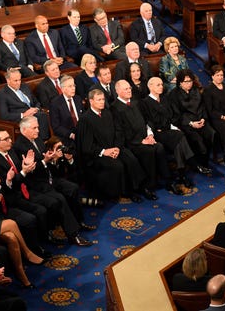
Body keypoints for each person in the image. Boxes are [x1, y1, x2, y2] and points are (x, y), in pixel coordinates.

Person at [13, 116, 93, 247]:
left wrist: (53, 158)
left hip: (48, 177)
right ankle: (73, 235)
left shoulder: (37, 139)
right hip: (36, 184)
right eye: (35, 128)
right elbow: (31, 171)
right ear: (24, 130)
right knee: (59, 198)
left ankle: (79, 222)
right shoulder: (20, 147)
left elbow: (45, 158)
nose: (38, 130)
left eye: (38, 127)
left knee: (73, 188)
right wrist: (45, 161)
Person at [141, 77, 211, 195]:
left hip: (168, 130)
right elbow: (151, 122)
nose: (161, 87)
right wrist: (164, 126)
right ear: (150, 87)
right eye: (158, 85)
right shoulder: (145, 102)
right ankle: (193, 165)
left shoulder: (164, 98)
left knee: (179, 139)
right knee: (180, 136)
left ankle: (182, 176)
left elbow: (171, 116)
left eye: (162, 84)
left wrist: (170, 126)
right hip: (157, 133)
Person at [76, 89, 144, 201]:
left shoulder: (108, 113)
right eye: (99, 100)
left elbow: (118, 131)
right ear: (91, 101)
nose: (102, 102)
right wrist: (104, 152)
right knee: (118, 165)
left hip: (114, 147)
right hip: (97, 154)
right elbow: (86, 145)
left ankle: (137, 188)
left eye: (103, 99)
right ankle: (124, 192)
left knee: (130, 158)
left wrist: (116, 147)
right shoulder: (85, 119)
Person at [111, 80, 168, 201]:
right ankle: (146, 186)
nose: (129, 90)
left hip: (145, 138)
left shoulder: (136, 103)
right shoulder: (115, 108)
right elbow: (121, 131)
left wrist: (150, 134)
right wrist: (140, 141)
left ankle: (166, 179)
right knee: (148, 151)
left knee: (159, 147)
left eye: (129, 88)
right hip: (130, 143)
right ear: (118, 91)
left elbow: (147, 121)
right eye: (126, 89)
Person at [169, 69, 216, 169]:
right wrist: (191, 123)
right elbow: (177, 115)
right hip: (186, 124)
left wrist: (203, 118)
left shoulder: (195, 90)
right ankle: (198, 165)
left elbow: (202, 106)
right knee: (197, 140)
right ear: (180, 82)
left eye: (190, 81)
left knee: (211, 133)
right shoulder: (174, 95)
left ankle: (205, 161)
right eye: (186, 82)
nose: (189, 84)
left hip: (200, 120)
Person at [0, 68, 51, 140]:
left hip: (35, 113)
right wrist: (23, 114)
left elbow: (36, 102)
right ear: (8, 80)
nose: (18, 83)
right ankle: (44, 142)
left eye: (19, 80)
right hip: (20, 118)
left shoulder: (24, 86)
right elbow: (4, 116)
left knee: (48, 114)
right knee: (41, 116)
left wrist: (36, 109)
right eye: (15, 80)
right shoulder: (3, 94)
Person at [49, 75, 84, 147]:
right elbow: (56, 127)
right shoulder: (55, 104)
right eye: (70, 86)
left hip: (82, 132)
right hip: (67, 136)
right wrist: (71, 135)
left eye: (74, 85)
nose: (73, 88)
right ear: (62, 89)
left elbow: (84, 117)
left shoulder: (78, 99)